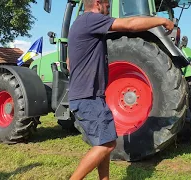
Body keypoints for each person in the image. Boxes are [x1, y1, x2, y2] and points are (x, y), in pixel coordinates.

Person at [66, 0, 175, 179]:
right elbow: (130, 25)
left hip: (92, 96)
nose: (109, 10)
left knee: (104, 143)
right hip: (88, 97)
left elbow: (70, 63)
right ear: (97, 3)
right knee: (107, 145)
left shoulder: (80, 24)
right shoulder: (90, 19)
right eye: (108, 6)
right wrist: (161, 21)